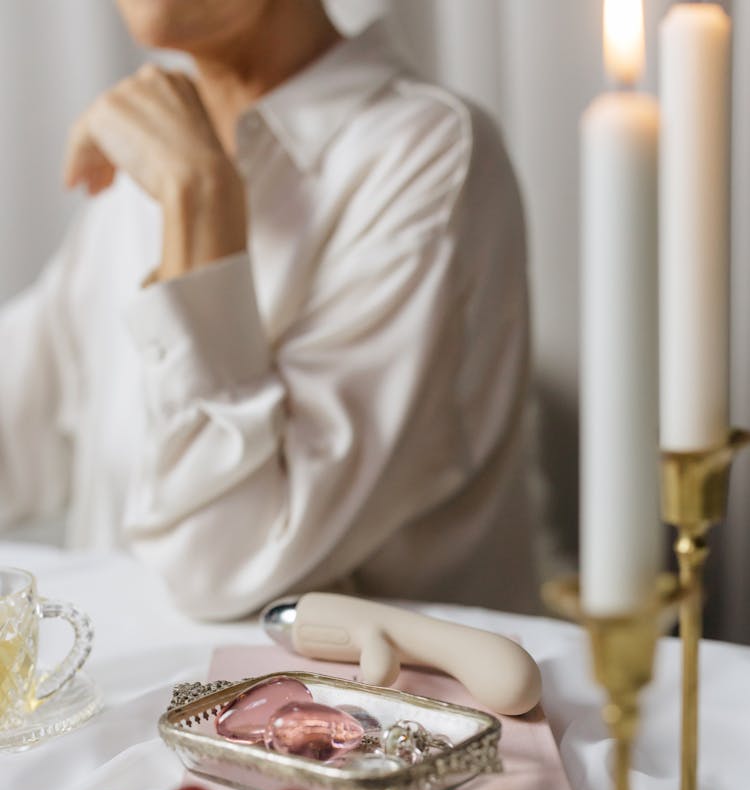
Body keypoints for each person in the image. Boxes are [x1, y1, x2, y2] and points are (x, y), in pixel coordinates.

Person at [0, 0, 537, 620]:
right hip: (128, 700)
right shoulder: (150, 156)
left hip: (368, 711)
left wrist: (198, 197)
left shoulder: (428, 154)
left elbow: (222, 563)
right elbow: (20, 428)